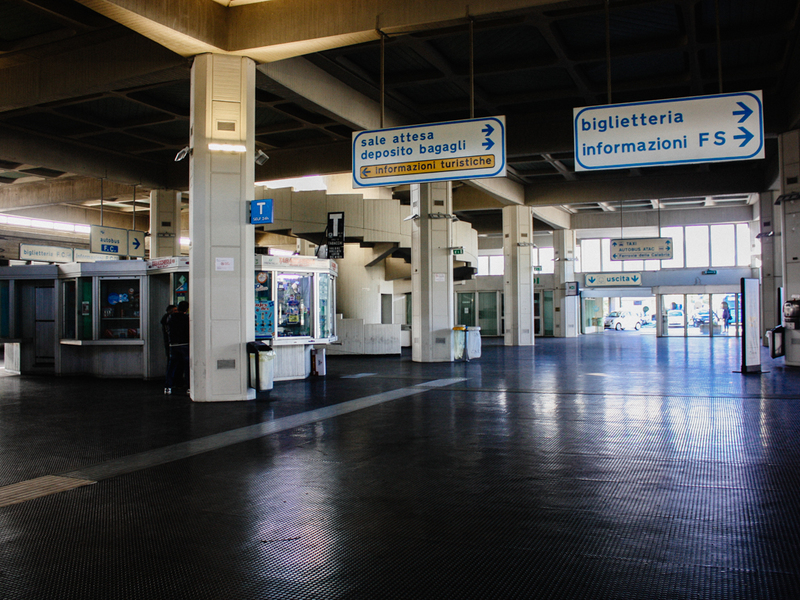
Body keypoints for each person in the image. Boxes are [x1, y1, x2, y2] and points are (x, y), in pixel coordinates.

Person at [164, 301, 190, 395]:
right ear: (186, 309)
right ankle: (189, 387)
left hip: (173, 345)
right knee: (187, 367)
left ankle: (168, 387)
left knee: (172, 367)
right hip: (185, 344)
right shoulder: (187, 318)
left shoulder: (171, 317)